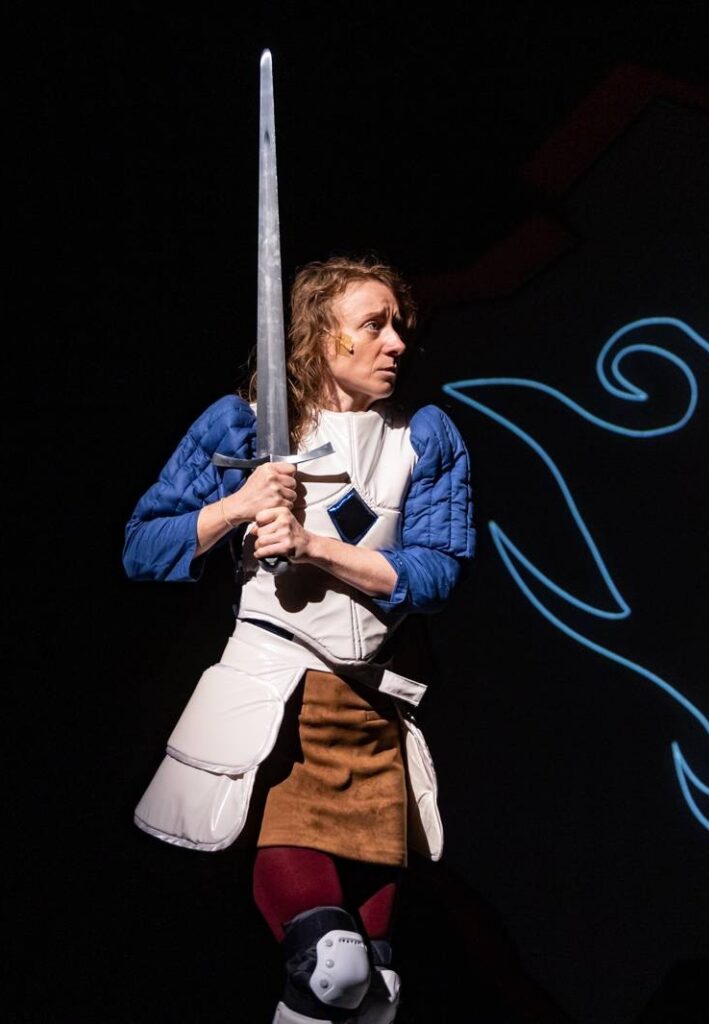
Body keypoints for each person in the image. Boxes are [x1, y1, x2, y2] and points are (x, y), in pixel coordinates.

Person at [123, 254, 475, 1024]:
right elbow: (142, 549)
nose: (397, 343)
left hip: (372, 712)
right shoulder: (242, 425)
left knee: (375, 992)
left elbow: (437, 573)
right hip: (281, 705)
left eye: (398, 326)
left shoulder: (426, 436)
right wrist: (237, 506)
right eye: (373, 326)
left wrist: (313, 545)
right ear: (320, 338)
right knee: (333, 967)